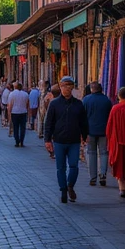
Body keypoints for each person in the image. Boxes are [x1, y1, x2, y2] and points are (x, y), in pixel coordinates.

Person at [44, 76, 89, 204]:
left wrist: (85, 136)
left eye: (69, 86)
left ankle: (70, 185)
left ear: (72, 87)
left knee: (74, 165)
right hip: (59, 140)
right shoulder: (54, 104)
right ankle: (63, 189)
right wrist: (47, 140)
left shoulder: (78, 104)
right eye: (63, 86)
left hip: (74, 141)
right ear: (60, 87)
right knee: (60, 167)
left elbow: (83, 122)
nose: (66, 89)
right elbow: (49, 123)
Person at [83, 82, 113, 187]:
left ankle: (93, 178)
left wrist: (83, 133)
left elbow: (83, 118)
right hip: (104, 131)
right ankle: (103, 174)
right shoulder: (107, 101)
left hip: (90, 131)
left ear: (91, 89)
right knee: (104, 153)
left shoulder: (86, 100)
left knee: (91, 153)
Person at [5, 81, 31, 147]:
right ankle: (21, 141)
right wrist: (28, 113)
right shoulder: (25, 94)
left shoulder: (12, 94)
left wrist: (9, 114)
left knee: (15, 128)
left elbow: (10, 105)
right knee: (22, 128)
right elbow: (28, 104)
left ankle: (17, 141)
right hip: (23, 112)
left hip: (15, 112)